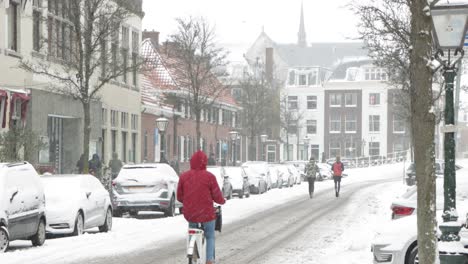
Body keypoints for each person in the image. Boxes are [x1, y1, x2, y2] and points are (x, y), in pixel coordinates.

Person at [177, 150, 225, 264]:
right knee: (210, 236)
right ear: (205, 162)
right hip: (207, 214)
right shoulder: (209, 177)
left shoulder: (184, 177)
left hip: (191, 214)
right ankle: (209, 260)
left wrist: (189, 201)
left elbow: (179, 196)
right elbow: (217, 196)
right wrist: (222, 201)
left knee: (192, 230)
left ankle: (192, 255)